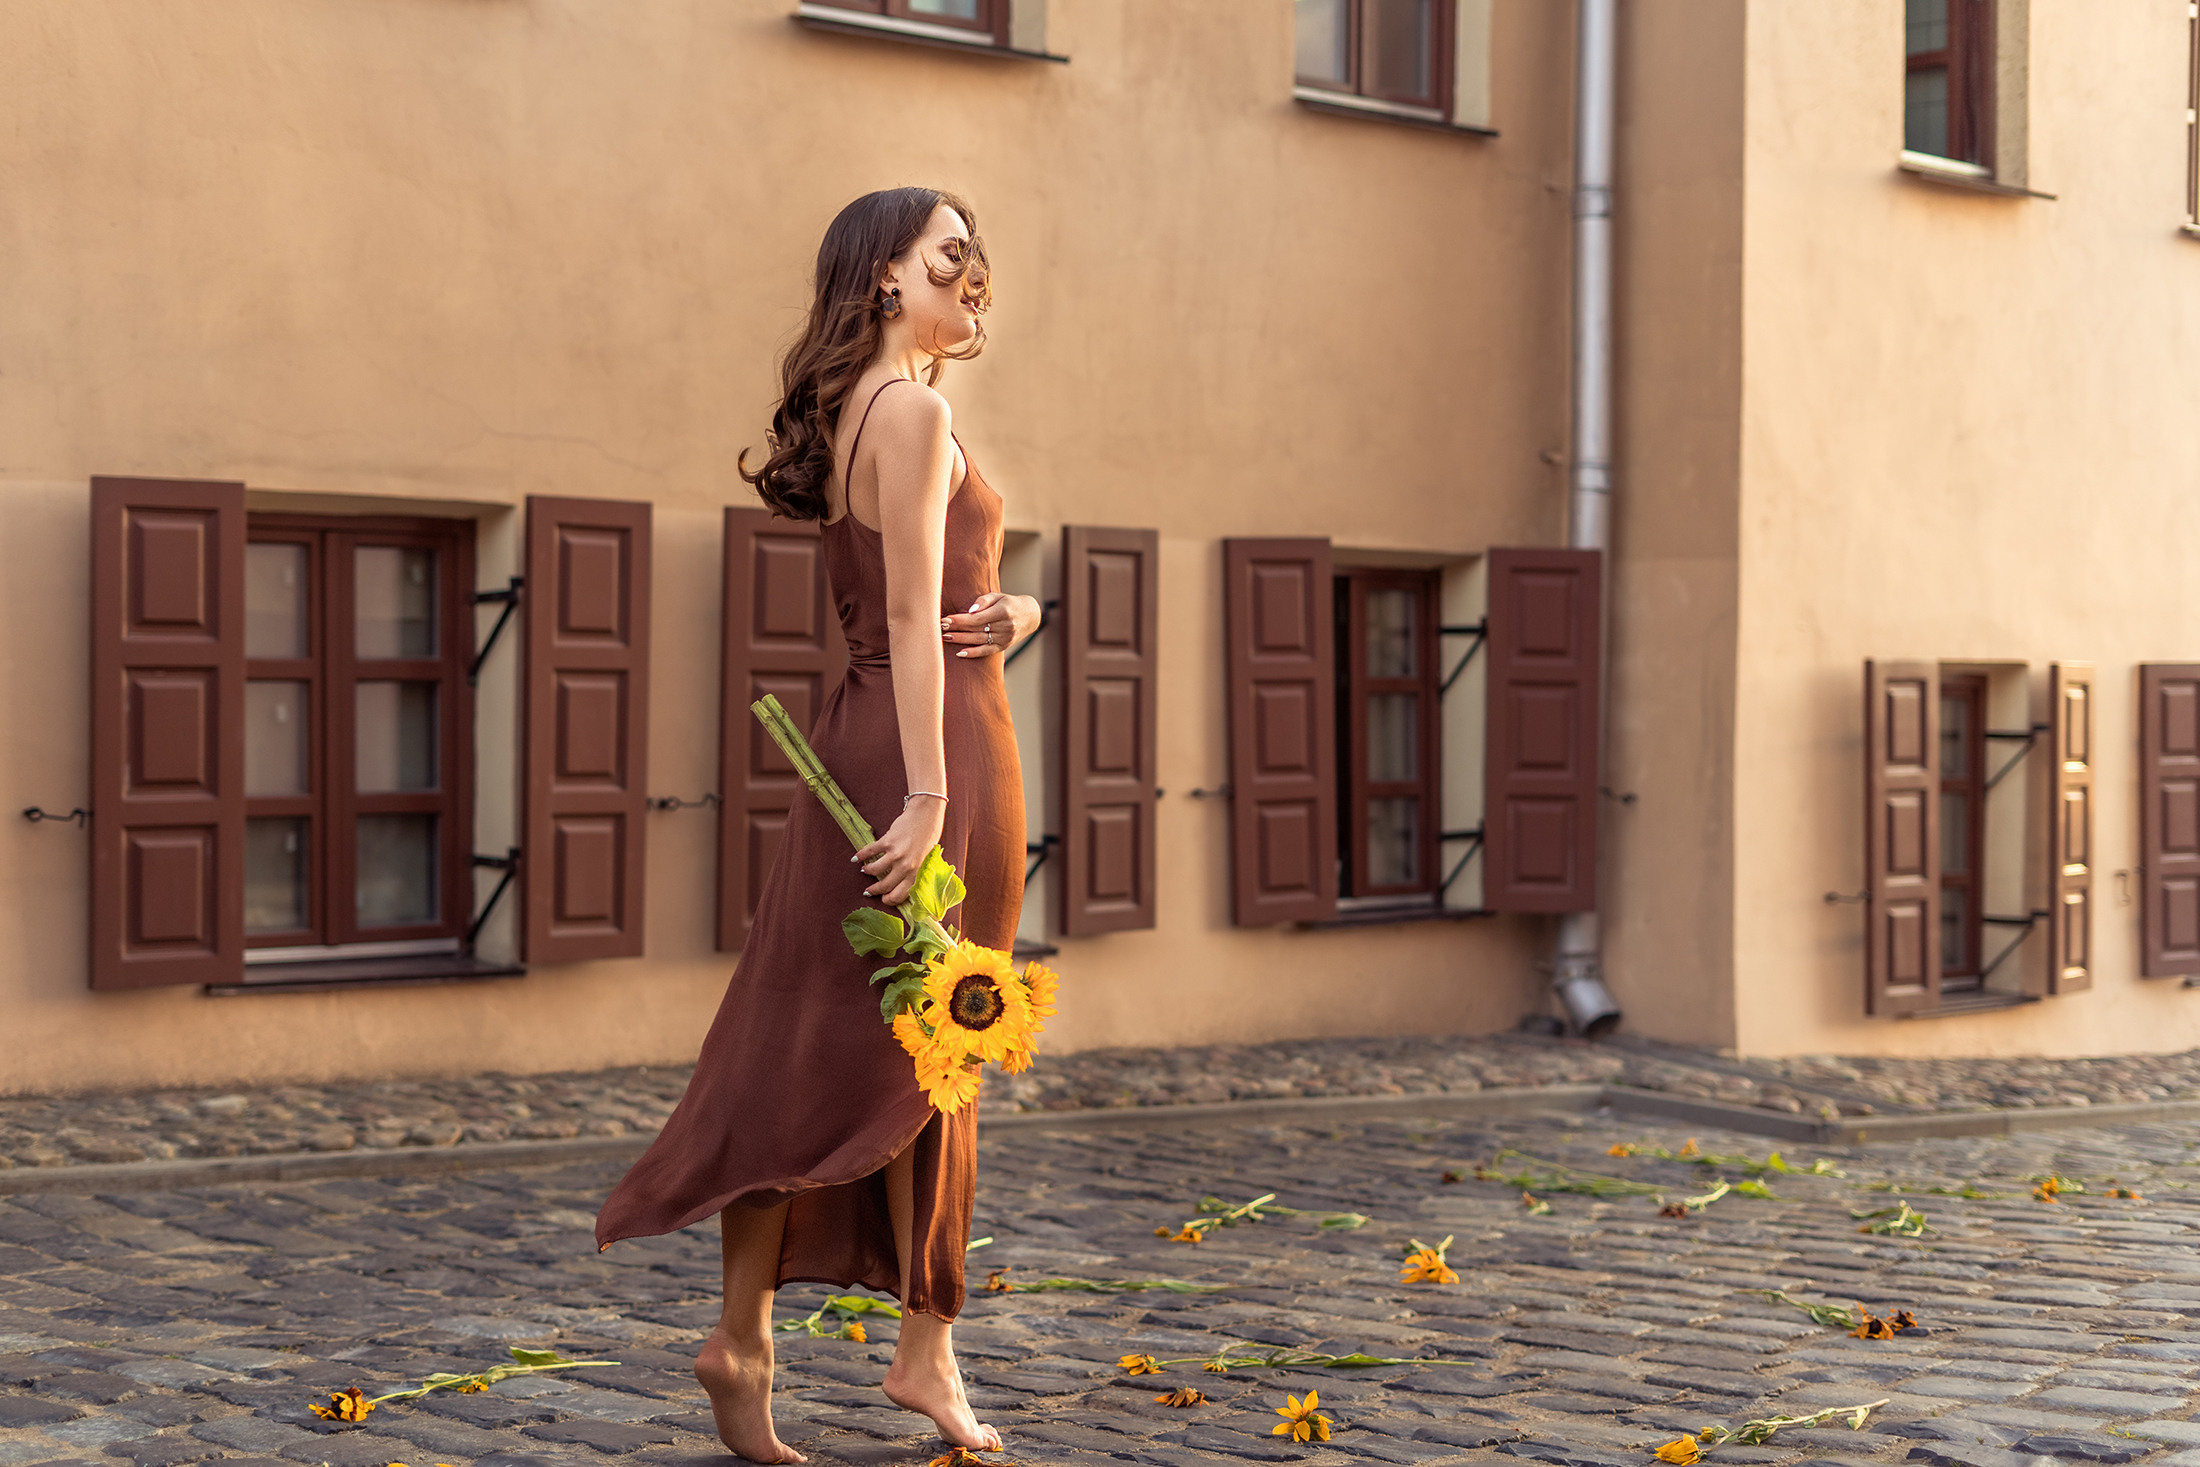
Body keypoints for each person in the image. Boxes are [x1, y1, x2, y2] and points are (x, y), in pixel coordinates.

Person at [593, 187, 1040, 1464]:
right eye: (946, 253)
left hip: (880, 729)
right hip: (929, 749)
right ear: (883, 279)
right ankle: (925, 1352)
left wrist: (1022, 615)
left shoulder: (870, 409)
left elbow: (945, 602)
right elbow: (907, 619)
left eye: (973, 255)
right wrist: (932, 795)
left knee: (814, 1041)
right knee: (945, 1034)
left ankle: (745, 1341)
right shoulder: (913, 408)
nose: (972, 273)